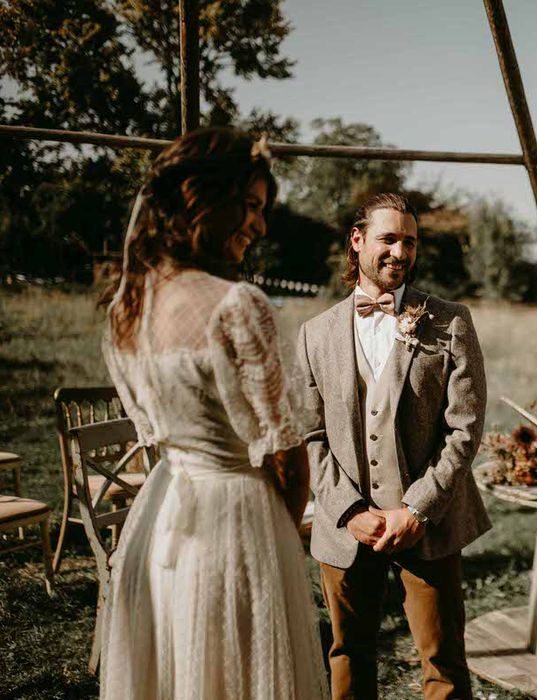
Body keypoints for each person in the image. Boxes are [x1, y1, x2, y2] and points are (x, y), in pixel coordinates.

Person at [100, 127, 328, 700]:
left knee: (176, 669)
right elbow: (287, 454)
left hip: (161, 520)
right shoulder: (237, 305)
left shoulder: (127, 308)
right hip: (235, 523)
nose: (260, 225)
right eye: (250, 206)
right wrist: (280, 538)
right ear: (205, 201)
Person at [295, 192, 491, 700]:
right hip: (347, 530)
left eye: (410, 241)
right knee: (348, 658)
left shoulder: (450, 321)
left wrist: (417, 509)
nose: (400, 252)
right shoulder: (314, 335)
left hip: (427, 524)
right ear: (357, 241)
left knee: (443, 663)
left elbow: (464, 429)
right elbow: (310, 436)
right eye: (388, 238)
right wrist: (347, 511)